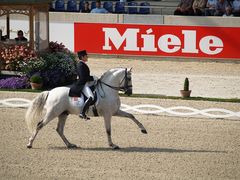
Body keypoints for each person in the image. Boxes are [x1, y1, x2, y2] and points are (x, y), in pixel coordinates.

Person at [69, 50, 94, 120]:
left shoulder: (83, 64)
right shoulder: (80, 65)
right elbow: (83, 77)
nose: (87, 57)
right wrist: (92, 78)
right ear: (82, 57)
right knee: (91, 97)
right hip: (82, 84)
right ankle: (82, 113)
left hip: (85, 82)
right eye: (86, 56)